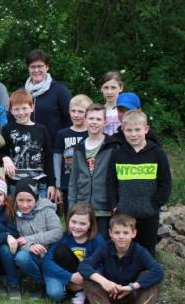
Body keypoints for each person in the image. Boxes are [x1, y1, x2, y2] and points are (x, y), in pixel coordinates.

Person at [78, 213, 164, 304]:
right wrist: (105, 282)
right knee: (88, 280)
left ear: (133, 234)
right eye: (117, 233)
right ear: (111, 233)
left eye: (125, 233)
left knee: (152, 277)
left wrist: (132, 287)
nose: (121, 237)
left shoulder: (140, 251)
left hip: (132, 298)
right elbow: (84, 266)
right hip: (110, 296)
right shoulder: (105, 248)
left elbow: (158, 271)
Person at [108, 109, 172, 261]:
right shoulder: (118, 154)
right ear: (123, 130)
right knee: (124, 251)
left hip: (148, 214)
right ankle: (124, 281)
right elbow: (110, 182)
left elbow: (165, 182)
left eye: (137, 130)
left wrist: (154, 204)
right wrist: (114, 205)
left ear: (146, 129)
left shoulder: (157, 153)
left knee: (147, 252)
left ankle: (146, 282)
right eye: (129, 130)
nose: (133, 134)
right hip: (124, 214)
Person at [68, 104, 121, 238]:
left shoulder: (113, 146)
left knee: (102, 245)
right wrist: (71, 206)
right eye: (91, 118)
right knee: (82, 246)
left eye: (98, 119)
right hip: (82, 208)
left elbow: (118, 179)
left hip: (104, 208)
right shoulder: (78, 147)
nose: (94, 122)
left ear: (105, 122)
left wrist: (116, 204)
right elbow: (73, 180)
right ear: (85, 120)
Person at [42, 203, 105, 304]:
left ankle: (81, 289)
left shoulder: (97, 240)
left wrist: (85, 280)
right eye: (74, 222)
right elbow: (47, 263)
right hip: (66, 273)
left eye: (83, 224)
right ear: (68, 220)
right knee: (55, 295)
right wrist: (70, 277)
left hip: (86, 275)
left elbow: (103, 264)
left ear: (90, 225)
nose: (77, 227)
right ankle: (69, 287)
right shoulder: (62, 237)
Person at [0, 89, 56, 201]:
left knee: (40, 212)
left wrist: (51, 184)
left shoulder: (42, 129)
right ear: (11, 110)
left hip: (39, 182)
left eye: (24, 108)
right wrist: (5, 158)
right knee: (16, 214)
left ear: (32, 107)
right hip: (15, 183)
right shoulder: (7, 129)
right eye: (16, 109)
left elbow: (49, 158)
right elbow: (1, 150)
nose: (21, 112)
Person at [12, 178, 63, 299]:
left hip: (50, 256)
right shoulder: (15, 214)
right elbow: (18, 240)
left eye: (29, 200)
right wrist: (30, 246)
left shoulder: (47, 210)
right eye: (20, 200)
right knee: (21, 257)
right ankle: (38, 282)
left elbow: (58, 232)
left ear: (36, 198)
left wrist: (31, 239)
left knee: (56, 295)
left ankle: (53, 282)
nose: (24, 205)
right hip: (32, 255)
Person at [24, 49, 72, 148]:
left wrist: (62, 140)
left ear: (47, 67)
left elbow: (70, 118)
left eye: (40, 66)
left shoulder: (60, 91)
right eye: (32, 67)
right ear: (28, 68)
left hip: (53, 148)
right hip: (27, 148)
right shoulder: (22, 93)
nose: (36, 70)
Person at [54, 94, 90, 212]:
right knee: (70, 214)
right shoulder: (62, 134)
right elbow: (57, 159)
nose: (76, 114)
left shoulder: (91, 134)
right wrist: (57, 185)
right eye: (73, 111)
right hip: (67, 183)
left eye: (80, 111)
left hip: (87, 183)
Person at [99, 71, 124, 136]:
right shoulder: (98, 111)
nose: (109, 92)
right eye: (106, 88)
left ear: (121, 88)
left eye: (113, 88)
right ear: (101, 89)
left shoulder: (126, 111)